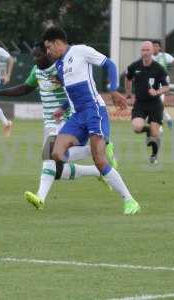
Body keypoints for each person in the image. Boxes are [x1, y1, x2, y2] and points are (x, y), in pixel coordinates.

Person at [0, 42, 114, 207]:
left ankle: (40, 198)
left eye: (39, 56)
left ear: (48, 54)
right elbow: (25, 88)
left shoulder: (61, 67)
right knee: (58, 171)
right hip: (49, 122)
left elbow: (76, 91)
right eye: (34, 57)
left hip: (65, 119)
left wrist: (63, 104)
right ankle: (98, 169)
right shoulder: (37, 70)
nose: (36, 60)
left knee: (48, 157)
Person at [42, 27, 140, 215]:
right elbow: (72, 92)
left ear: (57, 43)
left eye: (49, 47)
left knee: (99, 161)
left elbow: (109, 64)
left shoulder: (80, 50)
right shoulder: (60, 66)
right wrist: (62, 108)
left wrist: (113, 88)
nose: (48, 52)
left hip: (94, 110)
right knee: (54, 153)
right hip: (77, 116)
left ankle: (130, 201)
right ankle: (103, 146)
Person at [125, 41, 170, 164]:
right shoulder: (134, 66)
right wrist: (128, 94)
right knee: (137, 127)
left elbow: (167, 87)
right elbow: (128, 78)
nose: (145, 52)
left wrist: (157, 92)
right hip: (140, 103)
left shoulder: (158, 68)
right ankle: (148, 130)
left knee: (155, 134)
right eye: (143, 50)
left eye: (147, 50)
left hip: (155, 104)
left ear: (152, 52)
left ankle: (154, 155)